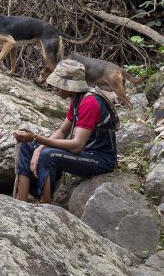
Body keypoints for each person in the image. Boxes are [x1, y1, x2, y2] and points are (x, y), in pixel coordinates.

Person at [13, 59, 118, 205]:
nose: (55, 88)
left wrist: (37, 138)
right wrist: (37, 147)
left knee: (48, 155)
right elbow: (63, 131)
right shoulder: (77, 100)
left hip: (100, 159)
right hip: (86, 153)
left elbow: (77, 145)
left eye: (59, 85)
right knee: (27, 146)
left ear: (71, 87)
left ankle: (45, 204)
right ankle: (21, 203)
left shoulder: (89, 103)